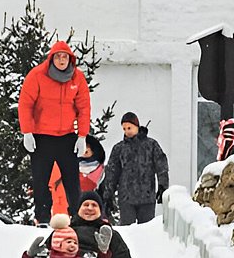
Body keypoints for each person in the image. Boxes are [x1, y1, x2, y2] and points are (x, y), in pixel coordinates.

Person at [18, 40, 91, 224]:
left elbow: (83, 107)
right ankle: (42, 219)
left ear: (70, 59)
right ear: (51, 59)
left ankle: (77, 218)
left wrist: (82, 135)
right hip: (42, 137)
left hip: (67, 136)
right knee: (41, 181)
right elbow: (26, 104)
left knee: (72, 181)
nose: (61, 60)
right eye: (58, 57)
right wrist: (27, 132)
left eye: (64, 57)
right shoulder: (37, 76)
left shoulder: (77, 78)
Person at [103, 112, 170, 225]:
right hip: (126, 198)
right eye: (124, 129)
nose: (127, 131)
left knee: (146, 230)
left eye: (129, 127)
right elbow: (112, 172)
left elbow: (161, 165)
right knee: (126, 232)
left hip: (147, 197)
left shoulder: (151, 145)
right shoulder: (119, 148)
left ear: (137, 126)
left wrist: (163, 186)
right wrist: (108, 195)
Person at [71, 190, 134, 258]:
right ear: (78, 209)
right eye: (86, 205)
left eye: (94, 205)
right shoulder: (66, 231)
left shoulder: (110, 234)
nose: (89, 208)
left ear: (100, 211)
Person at [49, 134, 105, 217]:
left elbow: (103, 195)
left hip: (85, 214)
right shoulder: (64, 165)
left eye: (87, 148)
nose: (84, 150)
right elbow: (49, 183)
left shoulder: (101, 172)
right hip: (60, 209)